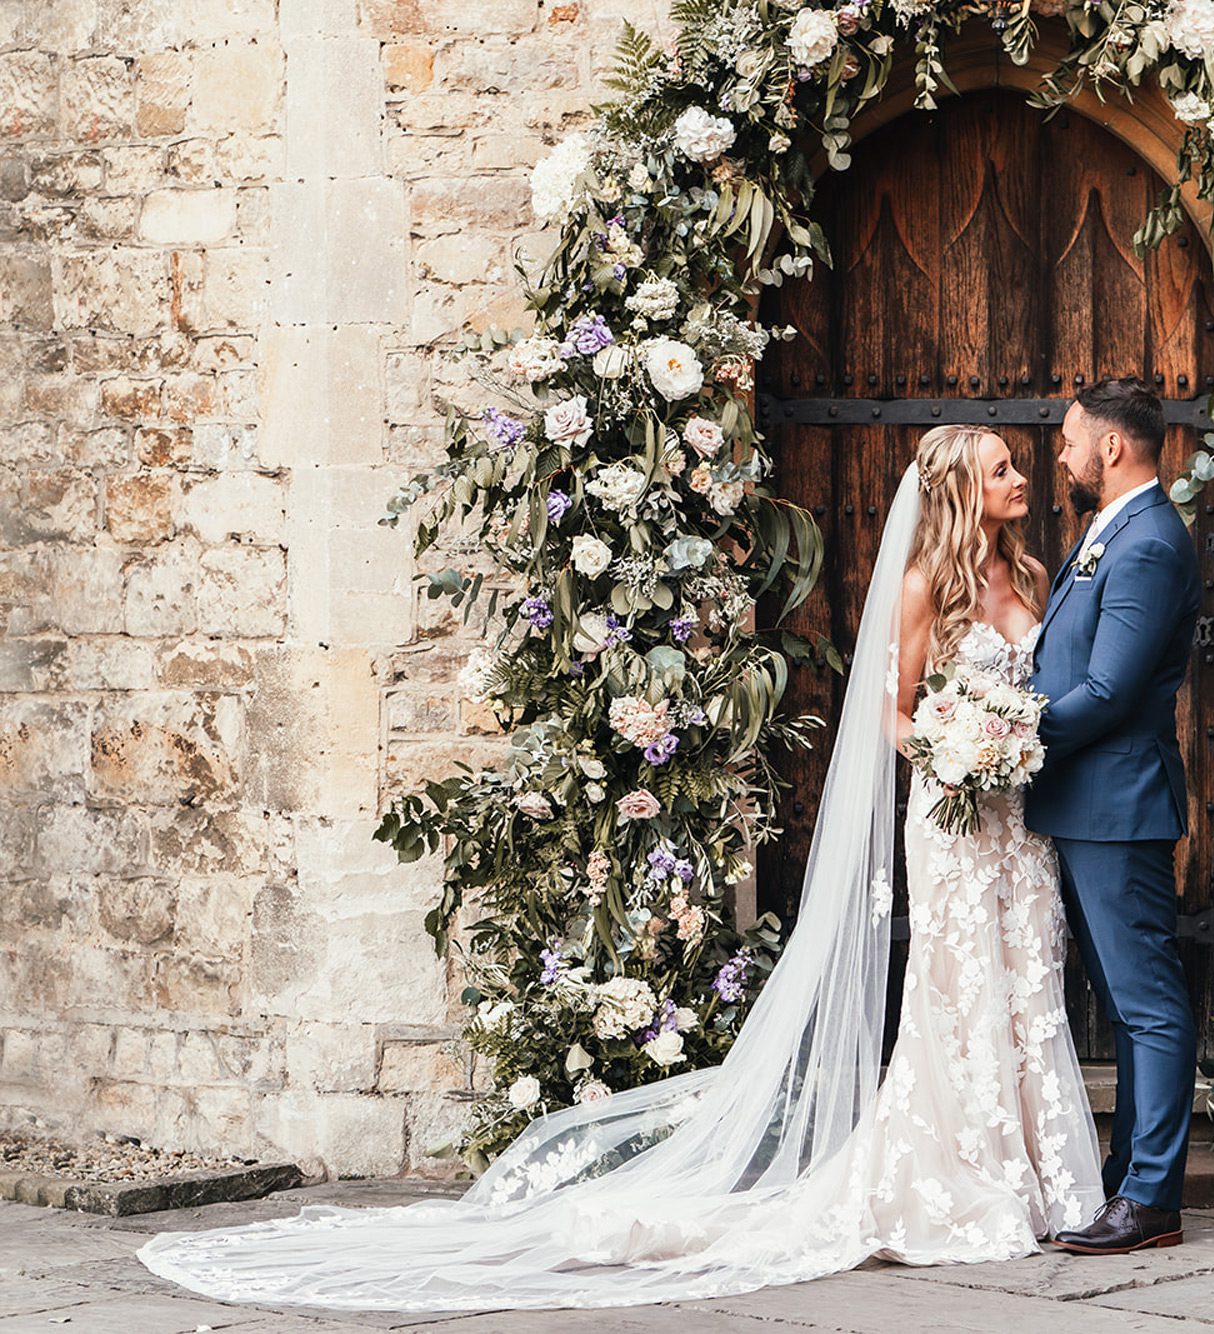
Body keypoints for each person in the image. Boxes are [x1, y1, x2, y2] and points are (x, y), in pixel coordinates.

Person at [134, 423, 1105, 1311]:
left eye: (1019, 465)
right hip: (951, 822)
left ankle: (1045, 1173)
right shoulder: (916, 591)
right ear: (955, 489)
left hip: (1019, 831)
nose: (1019, 477)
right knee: (957, 995)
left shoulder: (1025, 570)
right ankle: (970, 1174)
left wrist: (1004, 744)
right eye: (1001, 469)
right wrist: (949, 745)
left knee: (1029, 989)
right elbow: (894, 712)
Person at [1029, 376, 1203, 1256]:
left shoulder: (1148, 543)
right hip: (1086, 801)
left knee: (1148, 1004)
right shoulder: (1112, 530)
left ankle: (1151, 1198)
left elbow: (1108, 689)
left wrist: (1007, 733)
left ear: (1112, 447)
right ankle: (1129, 1177)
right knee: (1129, 1003)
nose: (1059, 454)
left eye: (1069, 440)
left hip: (1118, 803)